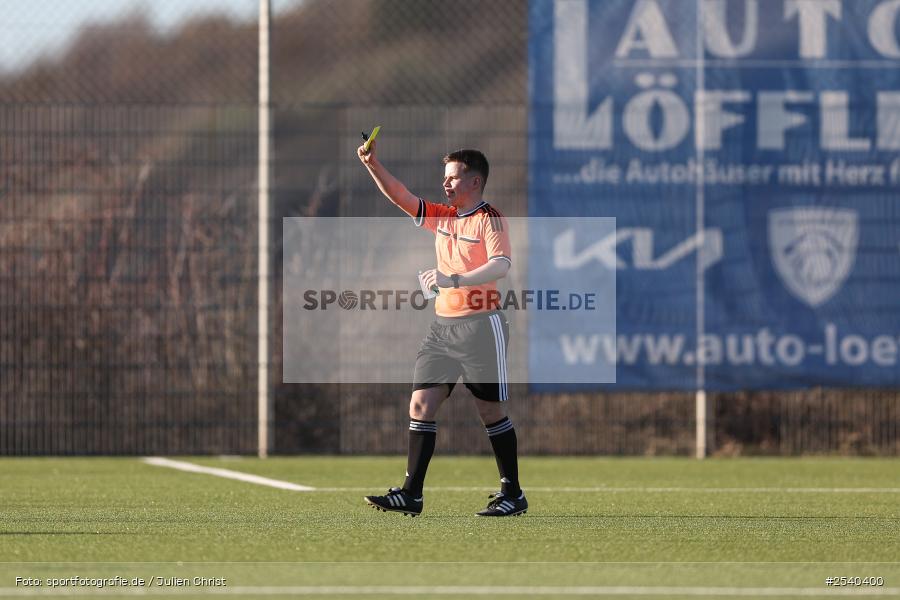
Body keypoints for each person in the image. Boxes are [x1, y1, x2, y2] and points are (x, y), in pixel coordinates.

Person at [356, 137, 526, 517]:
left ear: (475, 182)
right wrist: (372, 164)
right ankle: (411, 494)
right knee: (420, 404)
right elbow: (401, 196)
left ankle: (512, 494)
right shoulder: (444, 216)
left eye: (452, 178)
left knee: (491, 413)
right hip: (442, 330)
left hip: (483, 326)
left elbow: (501, 265)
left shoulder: (489, 218)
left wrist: (454, 280)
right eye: (445, 178)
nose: (445, 184)